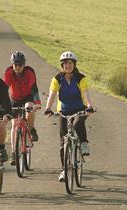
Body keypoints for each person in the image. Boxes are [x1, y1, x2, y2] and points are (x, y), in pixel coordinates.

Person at [44, 51, 95, 182]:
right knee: (62, 142)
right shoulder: (57, 79)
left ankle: (83, 143)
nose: (68, 65)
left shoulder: (80, 78)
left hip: (80, 109)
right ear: (62, 65)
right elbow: (52, 94)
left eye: (70, 63)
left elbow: (85, 93)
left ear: (74, 64)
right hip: (64, 111)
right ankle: (64, 170)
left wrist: (89, 106)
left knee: (78, 123)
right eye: (65, 63)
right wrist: (48, 108)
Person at [3, 51, 41, 165]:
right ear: (12, 64)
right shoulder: (9, 72)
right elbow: (4, 89)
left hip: (28, 97)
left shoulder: (29, 72)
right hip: (14, 99)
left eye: (20, 65)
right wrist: (3, 104)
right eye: (15, 65)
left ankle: (32, 129)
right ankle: (14, 153)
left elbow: (34, 89)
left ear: (24, 65)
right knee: (14, 125)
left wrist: (37, 103)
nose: (18, 67)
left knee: (29, 107)